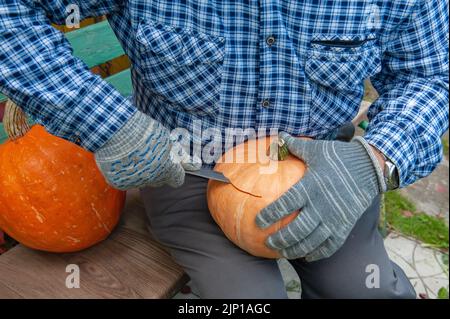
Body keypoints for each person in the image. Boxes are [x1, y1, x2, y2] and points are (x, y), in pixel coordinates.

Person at [0, 0, 448, 298]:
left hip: (330, 172)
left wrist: (373, 161)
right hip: (186, 173)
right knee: (246, 302)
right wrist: (110, 125)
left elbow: (429, 76)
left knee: (364, 291)